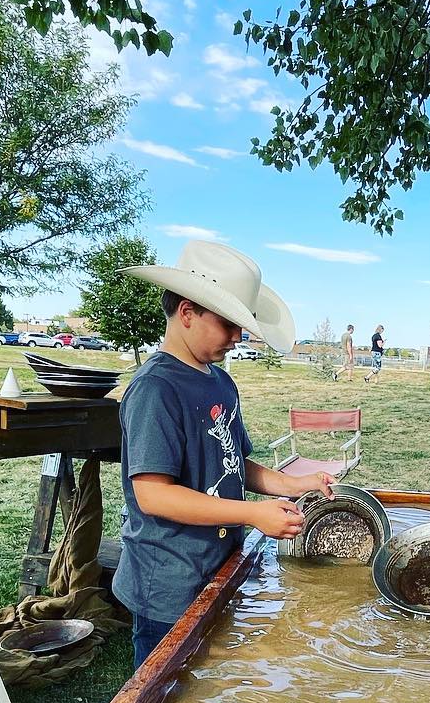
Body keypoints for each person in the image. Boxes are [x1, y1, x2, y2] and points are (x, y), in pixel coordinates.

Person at [117, 240, 335, 670]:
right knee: (166, 689)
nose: (238, 336)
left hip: (215, 566)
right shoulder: (155, 389)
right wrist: (252, 515)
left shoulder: (220, 382)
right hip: (168, 580)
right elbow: (153, 496)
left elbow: (235, 462)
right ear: (187, 313)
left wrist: (294, 484)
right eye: (228, 323)